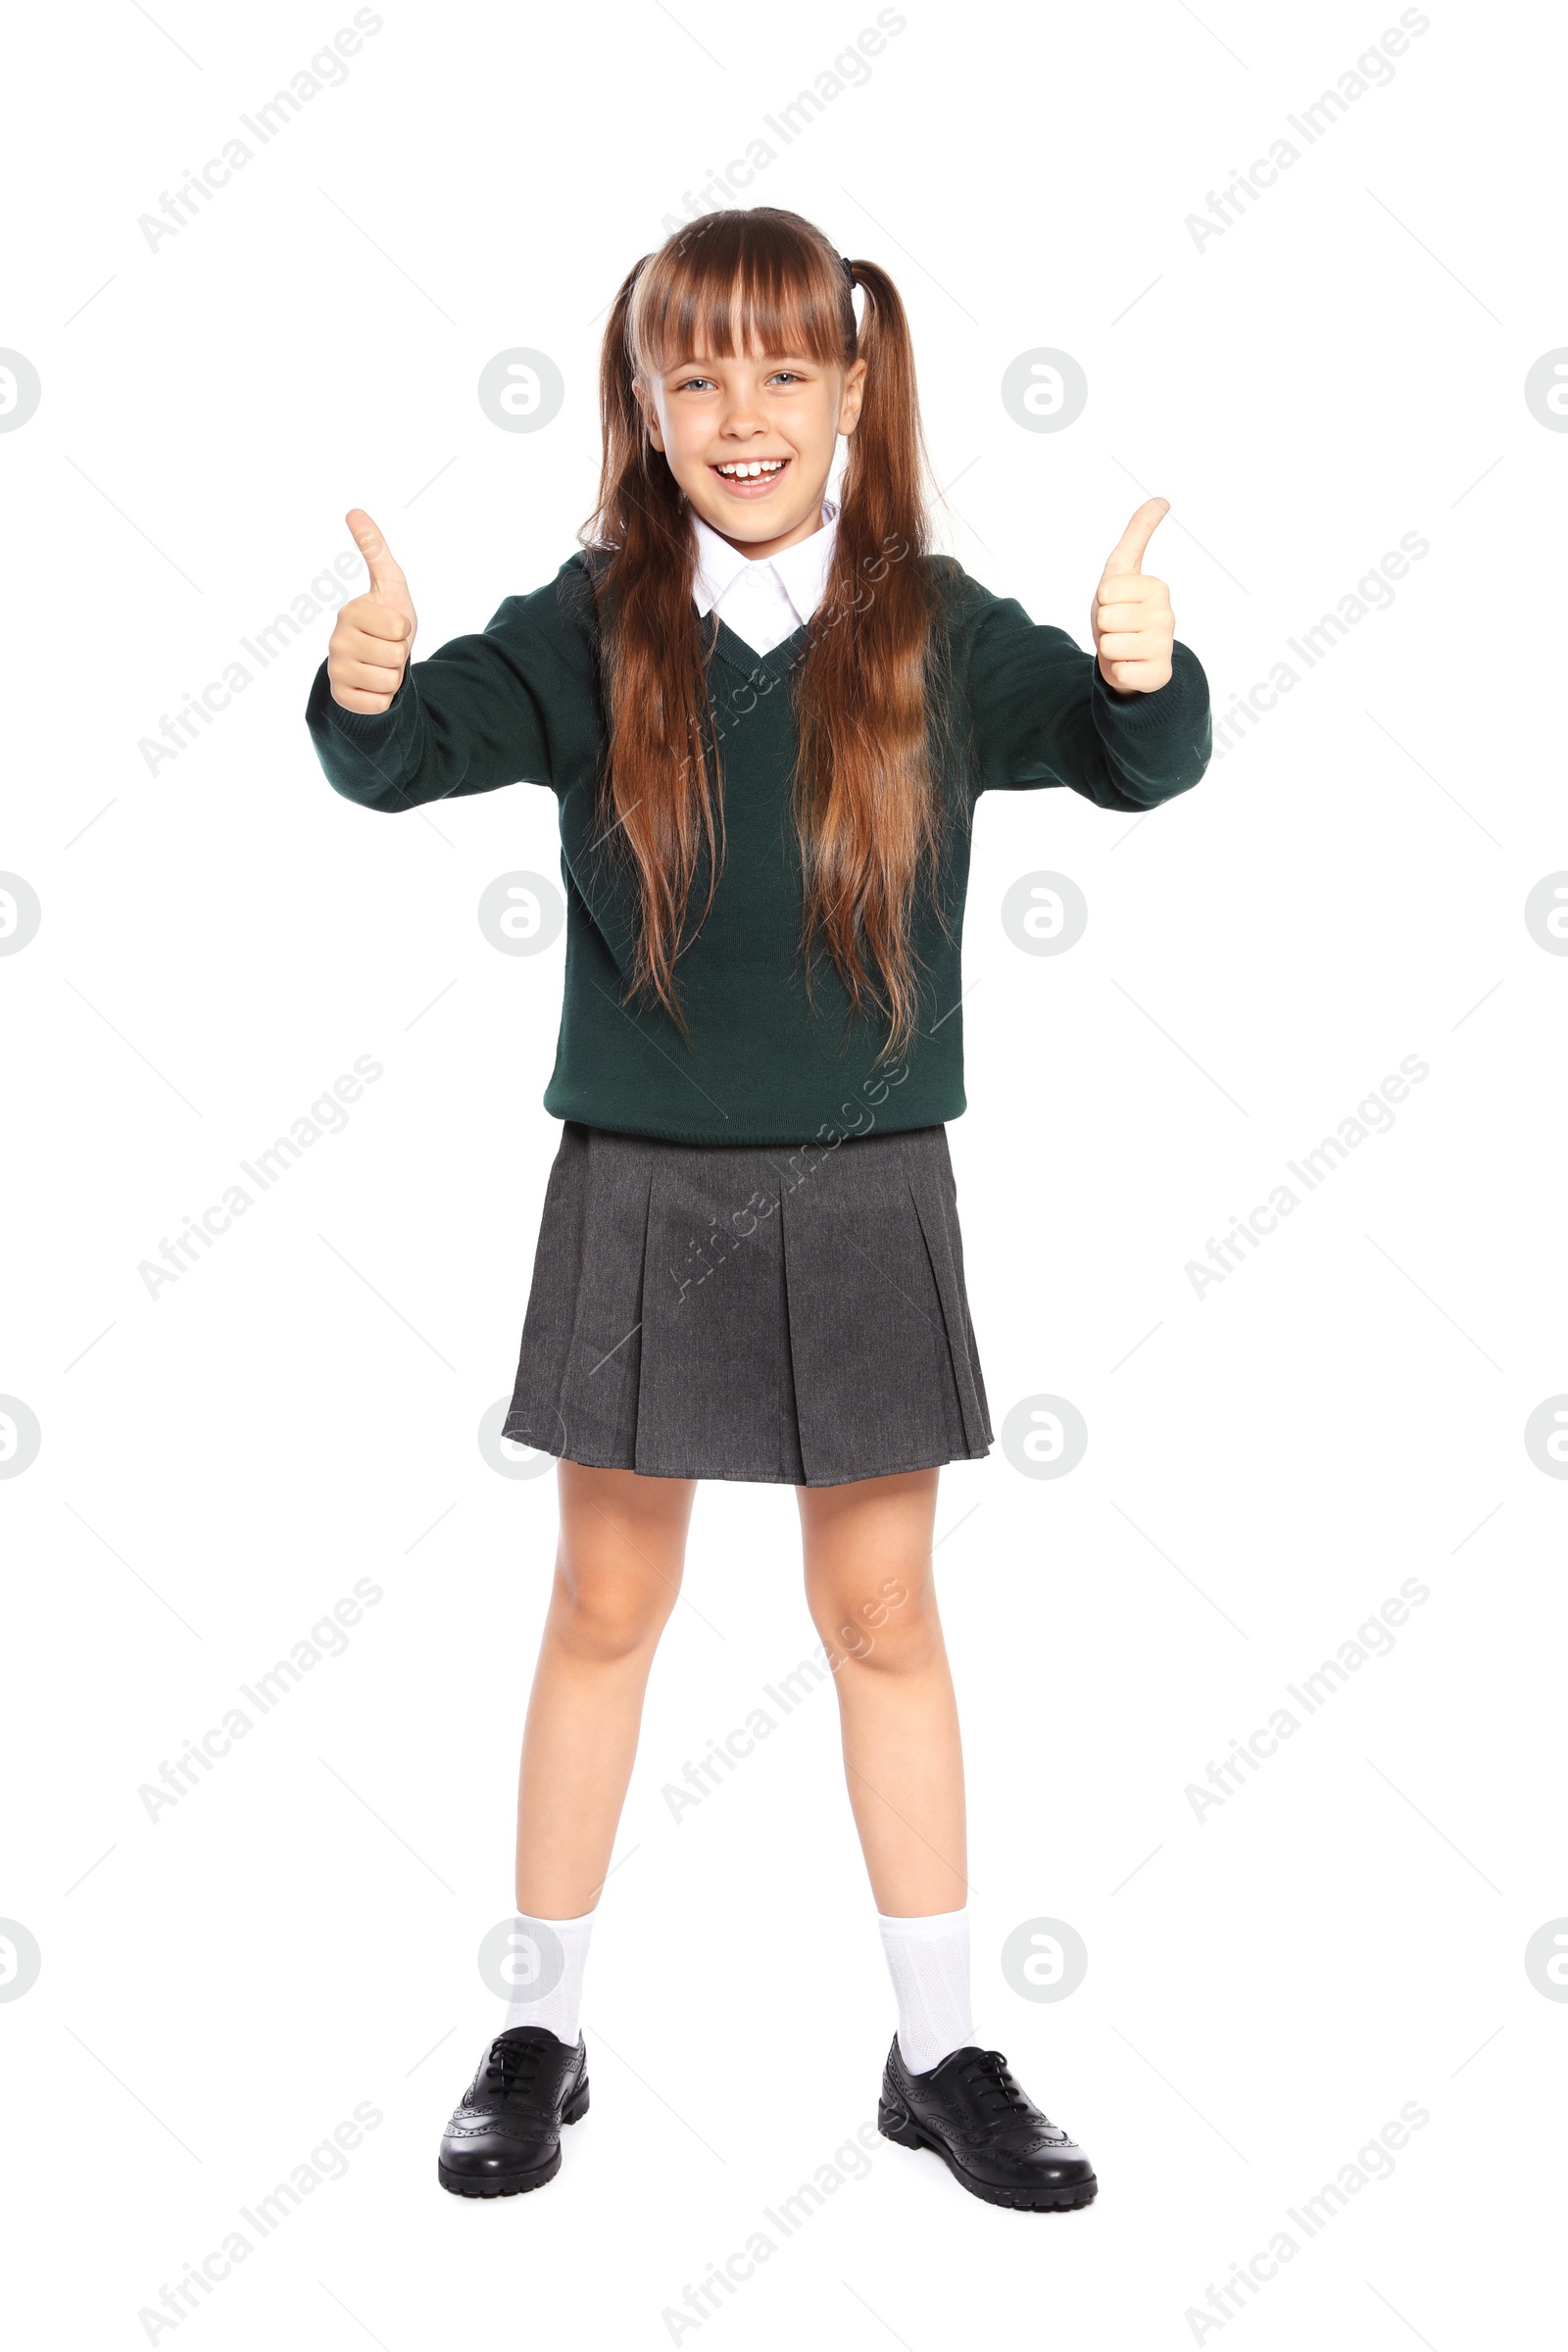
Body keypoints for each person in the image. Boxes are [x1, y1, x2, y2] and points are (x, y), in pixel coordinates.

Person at [304, 205, 1211, 2212]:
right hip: (636, 1184)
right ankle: (537, 2027)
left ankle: (941, 2047)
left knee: (882, 1615)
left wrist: (1147, 676)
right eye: (695, 369)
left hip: (869, 1186)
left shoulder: (934, 623)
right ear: (642, 396)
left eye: (783, 369)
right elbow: (402, 753)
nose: (741, 411)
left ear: (851, 389)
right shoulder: (592, 619)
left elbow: (1123, 756)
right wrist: (364, 690)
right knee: (601, 1604)